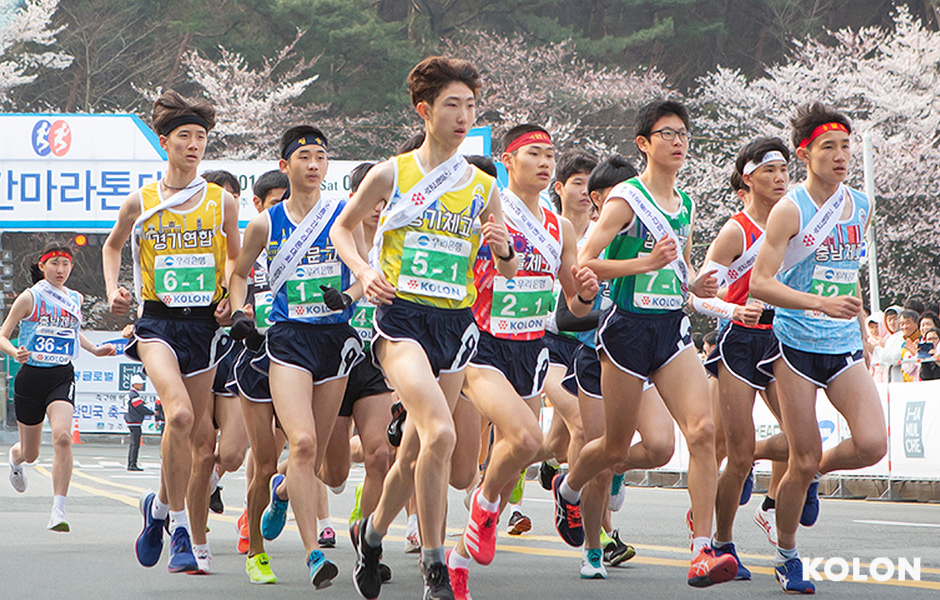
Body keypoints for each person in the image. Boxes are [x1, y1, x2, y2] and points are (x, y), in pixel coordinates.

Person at [330, 56, 517, 600]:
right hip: (401, 321)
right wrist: (364, 270)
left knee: (414, 451)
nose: (463, 116)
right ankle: (435, 565)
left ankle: (371, 534)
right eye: (452, 105)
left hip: (455, 326)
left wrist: (503, 248)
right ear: (424, 110)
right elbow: (343, 229)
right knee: (441, 432)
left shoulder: (481, 184)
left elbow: (506, 267)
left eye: (471, 106)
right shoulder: (392, 173)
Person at [552, 99, 738, 588]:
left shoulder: (686, 204)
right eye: (667, 134)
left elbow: (681, 268)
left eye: (683, 134)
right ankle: (569, 487)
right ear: (644, 143)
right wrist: (643, 264)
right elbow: (584, 263)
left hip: (671, 329)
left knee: (701, 431)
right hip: (626, 331)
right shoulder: (626, 199)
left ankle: (701, 550)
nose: (678, 142)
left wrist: (695, 284)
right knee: (614, 448)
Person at [445, 124, 598, 598]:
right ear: (508, 161)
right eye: (534, 153)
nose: (545, 162)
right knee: (526, 437)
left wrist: (585, 294)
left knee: (521, 454)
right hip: (481, 343)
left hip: (531, 349)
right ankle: (483, 504)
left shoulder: (560, 227)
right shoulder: (486, 210)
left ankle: (459, 556)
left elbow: (573, 307)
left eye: (550, 154)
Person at [750, 102, 888, 593]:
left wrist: (863, 330)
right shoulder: (790, 209)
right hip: (795, 345)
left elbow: (849, 273)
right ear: (804, 154)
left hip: (843, 342)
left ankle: (806, 479)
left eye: (846, 146)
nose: (841, 155)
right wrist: (818, 303)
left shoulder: (861, 205)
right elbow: (761, 283)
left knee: (872, 444)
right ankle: (787, 554)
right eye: (828, 147)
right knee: (802, 456)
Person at [102, 90, 241, 573]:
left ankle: (157, 507)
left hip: (203, 327)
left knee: (192, 430)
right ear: (165, 142)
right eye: (185, 136)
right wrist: (114, 290)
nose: (194, 145)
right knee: (178, 415)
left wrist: (231, 297)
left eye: (201, 137)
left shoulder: (221, 202)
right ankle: (179, 528)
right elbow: (112, 246)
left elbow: (236, 261)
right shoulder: (141, 201)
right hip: (157, 322)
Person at [227, 124, 364, 589]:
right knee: (297, 446)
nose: (313, 165)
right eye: (304, 157)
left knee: (318, 456)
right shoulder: (266, 223)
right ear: (285, 166)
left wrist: (348, 296)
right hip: (287, 340)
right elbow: (240, 273)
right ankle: (305, 555)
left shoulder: (343, 215)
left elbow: (365, 271)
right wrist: (240, 310)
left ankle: (284, 493)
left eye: (320, 157)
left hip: (334, 341)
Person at [693, 137, 793, 576]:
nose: (779, 178)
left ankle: (771, 506)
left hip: (782, 338)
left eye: (784, 170)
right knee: (736, 455)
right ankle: (722, 542)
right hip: (739, 341)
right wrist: (734, 310)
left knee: (802, 443)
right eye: (769, 170)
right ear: (748, 179)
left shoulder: (795, 224)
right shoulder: (736, 231)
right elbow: (699, 295)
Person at [1, 243, 117, 531]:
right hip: (31, 377)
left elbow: (74, 332)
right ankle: (16, 458)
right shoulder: (30, 297)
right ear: (42, 266)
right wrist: (15, 352)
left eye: (65, 264)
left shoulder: (74, 298)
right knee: (31, 453)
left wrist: (95, 350)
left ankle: (58, 510)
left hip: (61, 375)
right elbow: (3, 335)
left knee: (63, 437)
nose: (60, 269)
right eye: (54, 263)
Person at [227, 170, 287, 581]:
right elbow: (231, 281)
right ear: (259, 206)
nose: (283, 210)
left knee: (304, 450)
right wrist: (235, 312)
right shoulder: (250, 244)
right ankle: (253, 538)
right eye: (275, 203)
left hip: (297, 355)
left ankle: (280, 495)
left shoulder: (313, 240)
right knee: (259, 460)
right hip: (253, 358)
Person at [125, 374, 153, 471]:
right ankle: (132, 464)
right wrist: (151, 413)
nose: (141, 385)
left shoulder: (130, 394)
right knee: (135, 444)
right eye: (140, 384)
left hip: (131, 420)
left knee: (134, 443)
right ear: (135, 384)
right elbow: (139, 407)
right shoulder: (134, 395)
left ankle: (132, 463)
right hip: (134, 421)